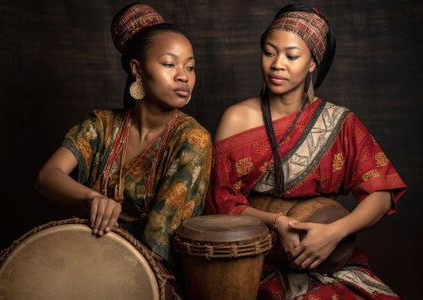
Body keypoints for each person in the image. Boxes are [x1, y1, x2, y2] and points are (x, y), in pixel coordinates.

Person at [205, 2, 406, 299]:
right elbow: (217, 201)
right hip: (254, 257)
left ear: (312, 63)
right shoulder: (237, 118)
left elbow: (381, 191)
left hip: (330, 258)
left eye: (291, 55)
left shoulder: (339, 123)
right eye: (269, 52)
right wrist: (275, 222)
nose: (277, 64)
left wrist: (335, 232)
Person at [35, 1, 211, 282]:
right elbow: (47, 177)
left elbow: (160, 234)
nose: (183, 76)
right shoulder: (102, 126)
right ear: (137, 70)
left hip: (147, 275)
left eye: (190, 67)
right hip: (86, 256)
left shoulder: (192, 139)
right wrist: (93, 197)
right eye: (169, 64)